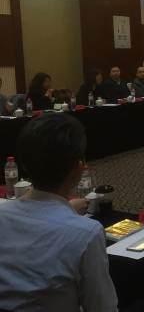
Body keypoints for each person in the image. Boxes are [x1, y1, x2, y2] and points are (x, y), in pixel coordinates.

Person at [0, 113, 118, 311]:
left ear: (24, 165)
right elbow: (102, 307)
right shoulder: (86, 233)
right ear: (79, 168)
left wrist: (67, 210)